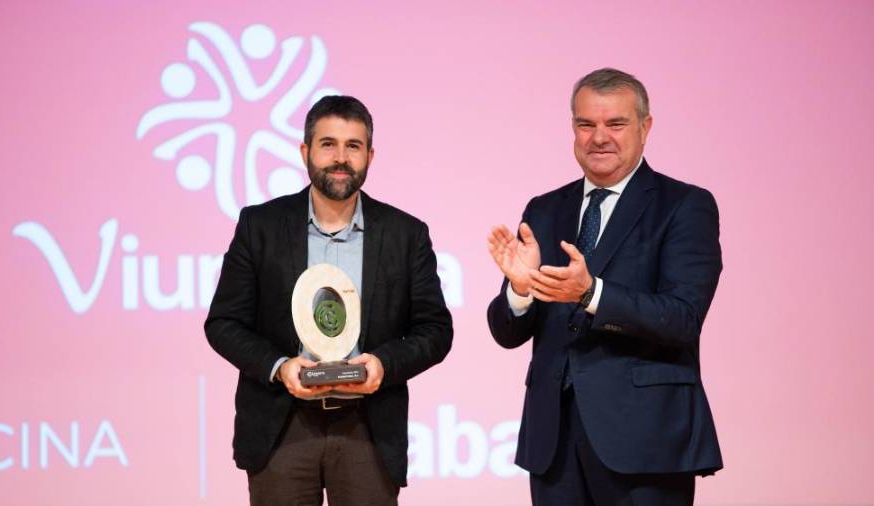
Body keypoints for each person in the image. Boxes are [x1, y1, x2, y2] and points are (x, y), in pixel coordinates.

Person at [486, 68, 722, 505]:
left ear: (645, 128)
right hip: (553, 443)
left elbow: (683, 318)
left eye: (615, 124)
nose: (599, 138)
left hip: (644, 443)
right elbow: (507, 332)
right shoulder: (544, 208)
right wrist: (519, 292)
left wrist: (591, 293)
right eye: (585, 124)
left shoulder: (685, 206)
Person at [206, 95, 453, 506]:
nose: (341, 158)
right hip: (281, 426)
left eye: (353, 146)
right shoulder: (260, 225)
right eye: (328, 144)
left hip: (367, 427)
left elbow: (435, 330)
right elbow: (223, 323)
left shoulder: (406, 234)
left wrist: (383, 365)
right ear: (305, 151)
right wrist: (281, 367)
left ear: (370, 155)